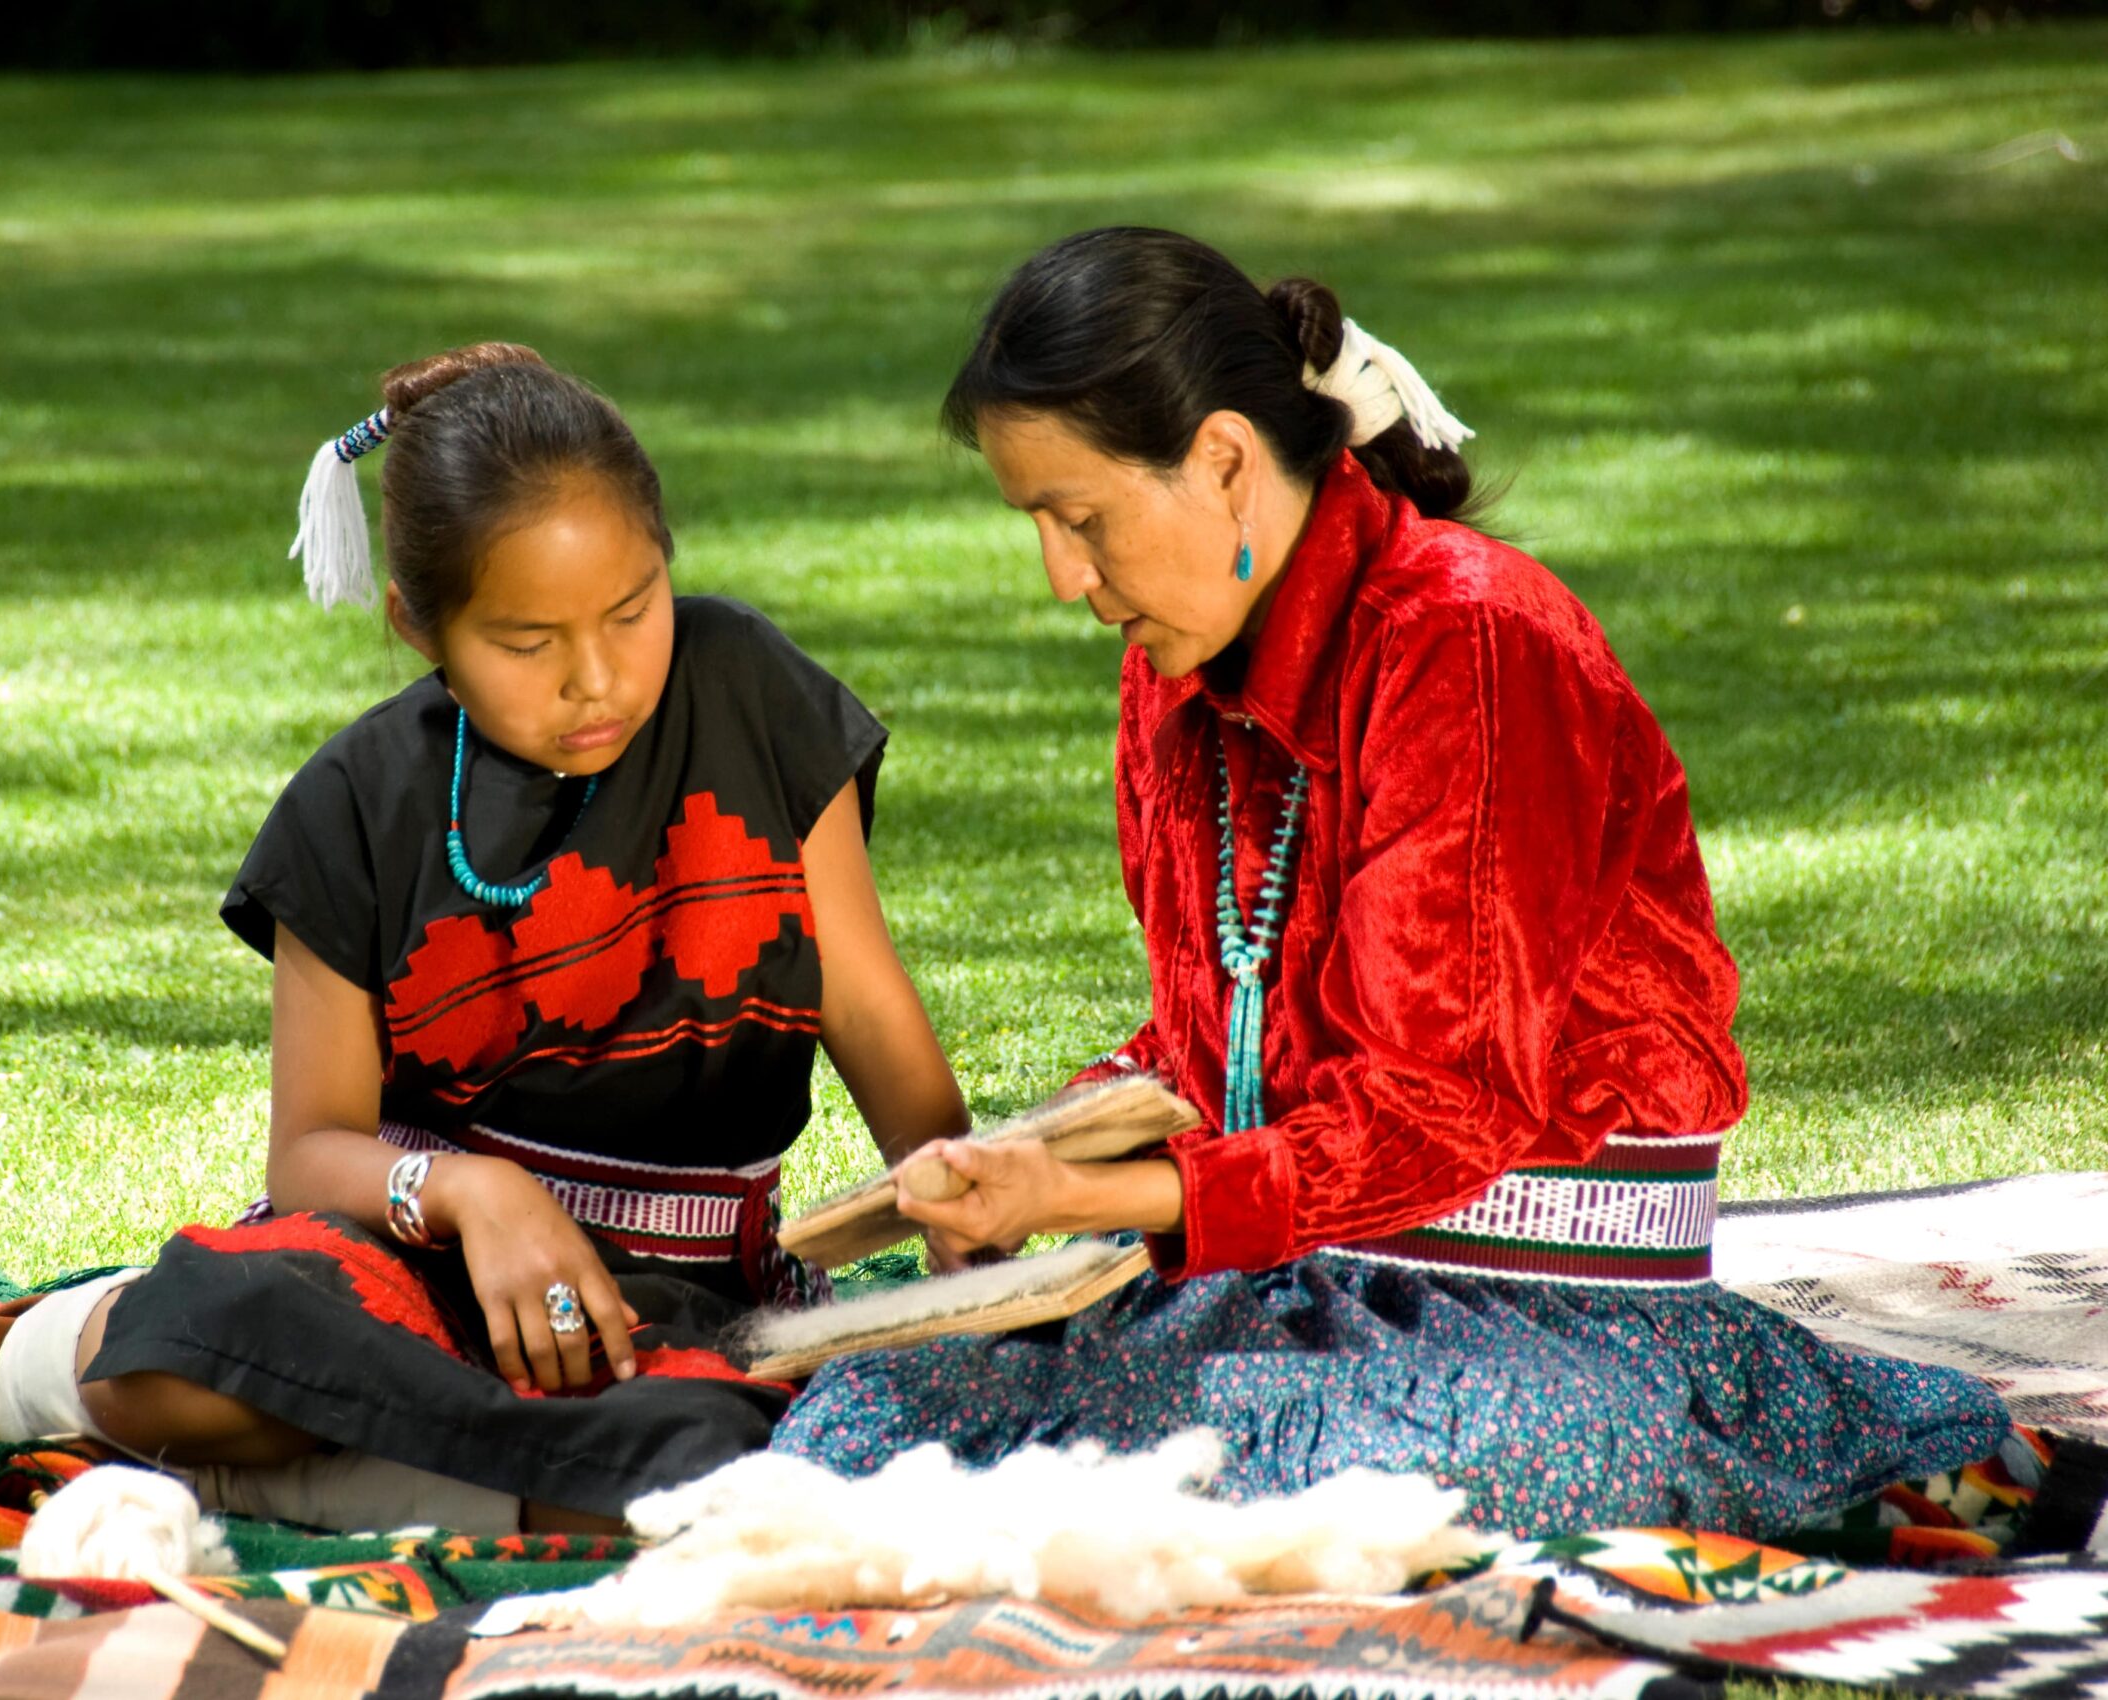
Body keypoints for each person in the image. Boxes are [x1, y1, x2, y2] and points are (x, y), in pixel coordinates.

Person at [769, 229, 2011, 1540]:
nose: (1064, 578)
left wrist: (1092, 1201)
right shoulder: (1173, 672)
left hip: (1546, 1311)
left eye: (1082, 520)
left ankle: (1806, 1439)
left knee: (1349, 1483)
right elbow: (1214, 1038)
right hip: (1286, 1274)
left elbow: (1445, 1102)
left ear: (1227, 461)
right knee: (872, 1414)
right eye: (1040, 527)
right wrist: (1039, 1157)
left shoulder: (1469, 642)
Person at [0, 343, 969, 1533]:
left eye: (632, 608)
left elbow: (862, 1003)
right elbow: (311, 1151)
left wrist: (966, 1206)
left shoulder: (753, 696)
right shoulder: (356, 806)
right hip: (413, 1260)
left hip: (673, 1296)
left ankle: (253, 1480)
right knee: (197, 1356)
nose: (595, 676)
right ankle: (13, 1365)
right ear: (416, 625)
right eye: (527, 643)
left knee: (700, 1474)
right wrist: (472, 1192)